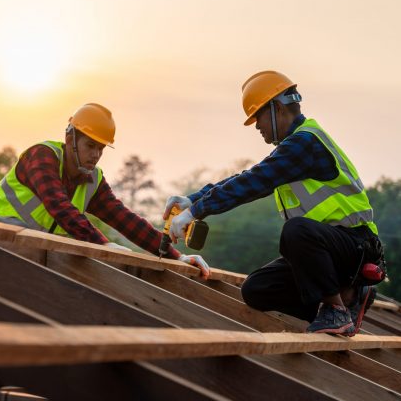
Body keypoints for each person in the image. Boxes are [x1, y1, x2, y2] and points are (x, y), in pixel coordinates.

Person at [164, 71, 384, 335]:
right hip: (326, 254)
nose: (257, 127)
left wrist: (194, 212)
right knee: (256, 290)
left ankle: (337, 310)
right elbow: (246, 178)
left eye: (258, 118)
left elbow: (253, 182)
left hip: (355, 247)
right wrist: (192, 199)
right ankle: (344, 301)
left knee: (296, 231)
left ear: (277, 108)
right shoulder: (293, 146)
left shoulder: (305, 142)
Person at [0, 102, 210, 279]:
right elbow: (59, 207)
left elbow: (126, 220)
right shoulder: (42, 156)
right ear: (69, 137)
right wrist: (103, 245)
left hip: (27, 248)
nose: (95, 155)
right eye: (90, 145)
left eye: (101, 148)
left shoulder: (92, 180)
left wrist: (176, 257)